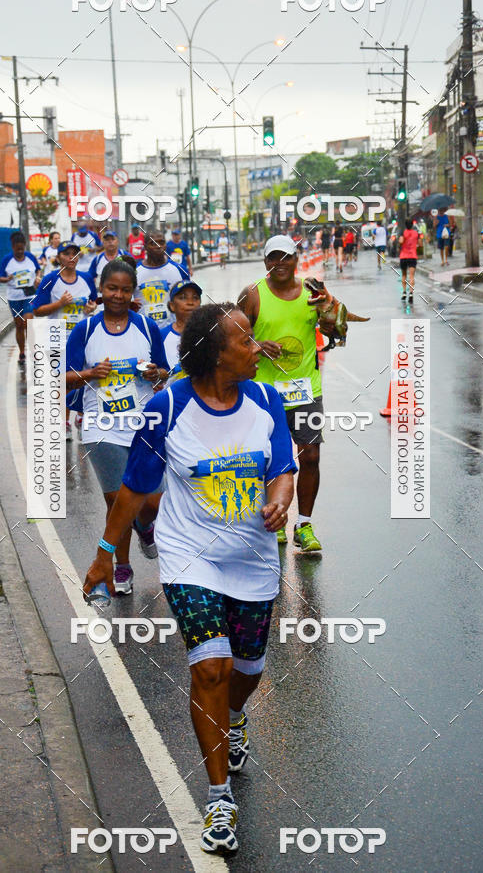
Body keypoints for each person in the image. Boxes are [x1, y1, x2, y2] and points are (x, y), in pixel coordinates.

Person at [82, 302, 296, 854]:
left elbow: (282, 468)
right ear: (213, 354)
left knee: (247, 670)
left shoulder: (267, 398)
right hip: (188, 555)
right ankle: (219, 797)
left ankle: (233, 715)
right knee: (211, 664)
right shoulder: (168, 406)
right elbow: (133, 489)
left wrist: (279, 500)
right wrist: (107, 552)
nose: (256, 346)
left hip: (251, 556)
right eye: (245, 340)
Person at [66, 259, 169, 593]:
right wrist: (89, 374)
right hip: (101, 426)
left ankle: (143, 525)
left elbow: (165, 372)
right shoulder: (85, 330)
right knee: (117, 501)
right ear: (101, 289)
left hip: (143, 425)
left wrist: (155, 373)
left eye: (126, 289)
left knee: (150, 503)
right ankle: (122, 568)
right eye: (112, 288)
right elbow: (62, 380)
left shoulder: (146, 327)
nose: (118, 295)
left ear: (133, 291)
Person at [238, 234, 326, 552]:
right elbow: (229, 332)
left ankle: (304, 524)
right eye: (273, 257)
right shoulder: (252, 295)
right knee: (268, 459)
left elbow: (333, 327)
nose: (280, 263)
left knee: (311, 456)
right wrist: (257, 346)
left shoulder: (313, 291)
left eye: (286, 257)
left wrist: (331, 315)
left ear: (296, 260)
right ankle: (274, 519)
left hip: (306, 391)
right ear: (265, 262)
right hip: (264, 393)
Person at [31, 240, 98, 439]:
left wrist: (91, 308)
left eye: (75, 254)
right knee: (63, 381)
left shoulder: (86, 278)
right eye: (67, 254)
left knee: (84, 377)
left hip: (82, 337)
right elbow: (37, 310)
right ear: (59, 257)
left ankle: (80, 415)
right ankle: (64, 422)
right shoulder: (51, 279)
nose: (71, 257)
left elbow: (93, 302)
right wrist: (60, 303)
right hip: (57, 336)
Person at [0, 231, 41, 363]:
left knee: (28, 323)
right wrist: (8, 278)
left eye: (22, 249)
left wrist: (38, 277)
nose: (20, 252)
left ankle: (34, 352)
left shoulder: (30, 257)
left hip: (29, 294)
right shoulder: (7, 259)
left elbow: (38, 269)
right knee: (19, 326)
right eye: (17, 249)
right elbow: (0, 278)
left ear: (25, 246)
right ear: (12, 248)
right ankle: (22, 352)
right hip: (14, 297)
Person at [135, 229, 189, 327]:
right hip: (144, 331)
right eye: (153, 243)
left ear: (165, 245)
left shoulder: (180, 270)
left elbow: (189, 302)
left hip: (172, 332)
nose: (158, 246)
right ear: (145, 247)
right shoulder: (134, 272)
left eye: (161, 242)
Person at [161, 279, 202, 378]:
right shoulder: (161, 336)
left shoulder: (209, 334)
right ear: (172, 305)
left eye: (195, 298)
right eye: (183, 298)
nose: (190, 302)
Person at [398, 218, 419, 304]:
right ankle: (411, 293)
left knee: (403, 275)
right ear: (412, 225)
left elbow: (401, 241)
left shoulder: (403, 232)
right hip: (412, 256)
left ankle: (404, 292)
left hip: (403, 256)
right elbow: (420, 244)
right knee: (411, 276)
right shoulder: (416, 233)